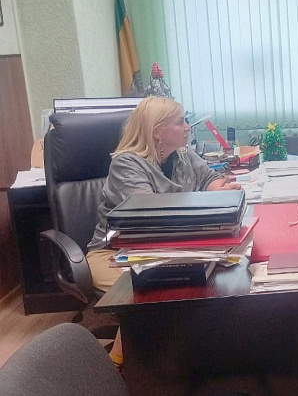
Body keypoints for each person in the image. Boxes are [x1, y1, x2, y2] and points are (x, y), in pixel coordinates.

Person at [85, 96, 241, 368]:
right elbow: (152, 214)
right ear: (158, 131)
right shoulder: (127, 164)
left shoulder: (182, 155)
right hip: (114, 254)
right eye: (180, 122)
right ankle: (119, 366)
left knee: (203, 284)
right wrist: (202, 200)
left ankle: (188, 361)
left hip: (167, 250)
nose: (187, 127)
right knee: (160, 291)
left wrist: (220, 190)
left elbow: (210, 179)